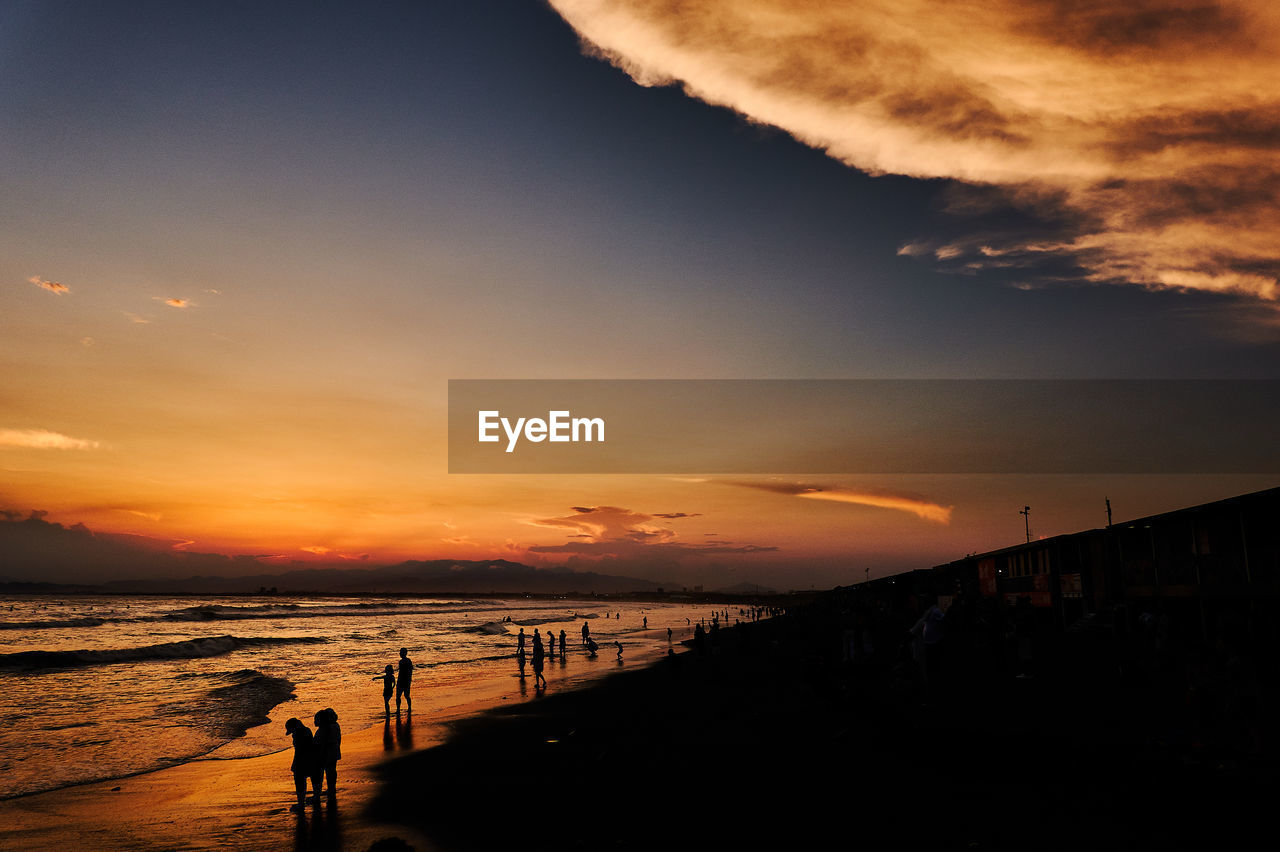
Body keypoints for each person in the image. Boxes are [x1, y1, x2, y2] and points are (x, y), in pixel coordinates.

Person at [284, 717, 320, 812]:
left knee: (300, 782)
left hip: (302, 760)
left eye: (291, 731)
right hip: (312, 759)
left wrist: (295, 764)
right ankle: (316, 797)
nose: (291, 733)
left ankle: (301, 804)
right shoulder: (307, 730)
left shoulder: (298, 734)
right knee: (314, 779)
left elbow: (300, 750)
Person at [313, 708, 341, 795]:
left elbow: (324, 743)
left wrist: (320, 754)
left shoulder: (326, 729)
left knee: (328, 771)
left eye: (316, 720)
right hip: (333, 752)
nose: (314, 722)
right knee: (331, 771)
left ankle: (329, 789)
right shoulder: (335, 726)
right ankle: (331, 788)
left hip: (327, 754)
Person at [396, 647, 413, 712]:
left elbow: (410, 671)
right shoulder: (400, 661)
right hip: (400, 680)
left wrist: (409, 680)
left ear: (405, 653)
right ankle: (398, 709)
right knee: (398, 696)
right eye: (400, 652)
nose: (400, 654)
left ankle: (409, 708)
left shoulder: (408, 661)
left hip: (405, 681)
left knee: (406, 695)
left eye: (401, 652)